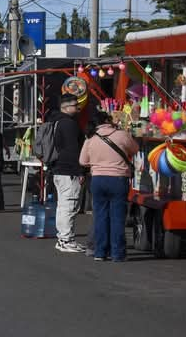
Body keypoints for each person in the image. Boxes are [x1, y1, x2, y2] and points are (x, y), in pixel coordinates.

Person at [80, 112, 138, 262]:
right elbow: (135, 149)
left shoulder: (91, 138)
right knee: (117, 217)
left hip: (98, 179)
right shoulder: (122, 135)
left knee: (100, 216)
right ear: (108, 121)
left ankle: (100, 252)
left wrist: (97, 162)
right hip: (118, 180)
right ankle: (117, 253)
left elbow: (82, 161)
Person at [47, 93, 86, 253]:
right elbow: (72, 149)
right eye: (75, 105)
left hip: (59, 169)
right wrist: (80, 170)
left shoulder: (55, 121)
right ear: (66, 107)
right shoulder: (69, 124)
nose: (78, 108)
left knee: (63, 206)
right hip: (69, 171)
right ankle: (66, 239)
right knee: (69, 205)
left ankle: (63, 238)